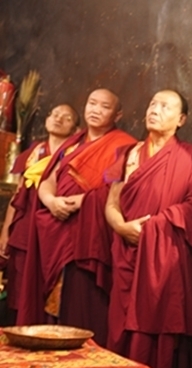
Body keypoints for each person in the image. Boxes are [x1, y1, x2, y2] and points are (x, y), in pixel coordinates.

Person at [105, 90, 192, 368]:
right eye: (152, 103)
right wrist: (121, 226)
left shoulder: (191, 157)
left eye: (165, 106)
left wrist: (156, 226)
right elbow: (111, 202)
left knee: (160, 328)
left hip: (166, 259)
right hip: (128, 252)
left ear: (181, 120)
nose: (155, 109)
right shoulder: (128, 154)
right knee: (123, 327)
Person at [17, 88, 136, 345]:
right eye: (92, 103)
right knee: (53, 302)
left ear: (117, 114)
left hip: (89, 234)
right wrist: (50, 201)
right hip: (56, 228)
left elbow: (122, 191)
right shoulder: (73, 143)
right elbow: (48, 179)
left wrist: (83, 201)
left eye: (104, 106)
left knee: (82, 299)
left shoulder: (124, 145)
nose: (96, 110)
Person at [0, 104, 79, 321]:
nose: (58, 119)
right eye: (54, 114)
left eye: (66, 117)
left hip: (54, 232)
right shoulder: (34, 153)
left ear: (76, 129)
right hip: (25, 230)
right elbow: (18, 196)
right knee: (19, 293)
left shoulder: (75, 155)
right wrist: (6, 232)